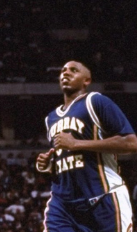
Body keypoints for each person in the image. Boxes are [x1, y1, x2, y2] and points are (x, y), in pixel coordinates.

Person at [35, 60, 137, 232]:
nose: (65, 73)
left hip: (103, 197)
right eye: (63, 71)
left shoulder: (96, 101)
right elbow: (67, 157)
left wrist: (77, 143)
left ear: (86, 80)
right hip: (63, 204)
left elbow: (131, 142)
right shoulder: (50, 118)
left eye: (73, 70)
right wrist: (47, 165)